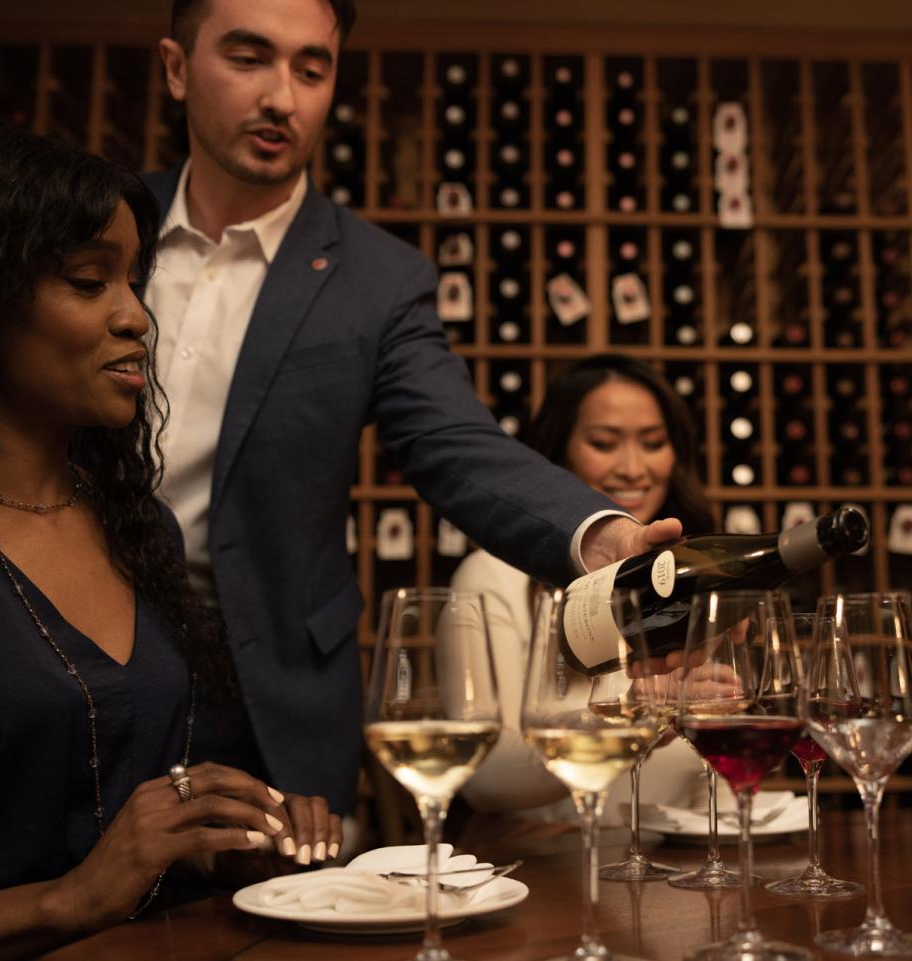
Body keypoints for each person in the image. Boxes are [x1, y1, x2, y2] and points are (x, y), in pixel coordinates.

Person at [145, 0, 676, 822]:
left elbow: (456, 443)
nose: (283, 96)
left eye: (311, 69)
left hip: (269, 683)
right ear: (177, 67)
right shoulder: (100, 225)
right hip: (81, 659)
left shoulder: (378, 278)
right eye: (248, 59)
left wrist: (598, 534)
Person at [0, 119, 339, 959]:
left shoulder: (136, 525)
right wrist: (64, 899)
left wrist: (213, 833)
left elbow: (110, 801)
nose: (137, 316)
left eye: (136, 279)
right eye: (91, 280)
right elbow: (80, 879)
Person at [454, 354, 712, 817]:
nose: (634, 468)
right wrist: (639, 715)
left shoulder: (692, 578)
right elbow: (484, 775)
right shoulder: (492, 577)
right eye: (603, 443)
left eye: (653, 443)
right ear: (556, 453)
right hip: (543, 875)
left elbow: (717, 784)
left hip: (677, 878)